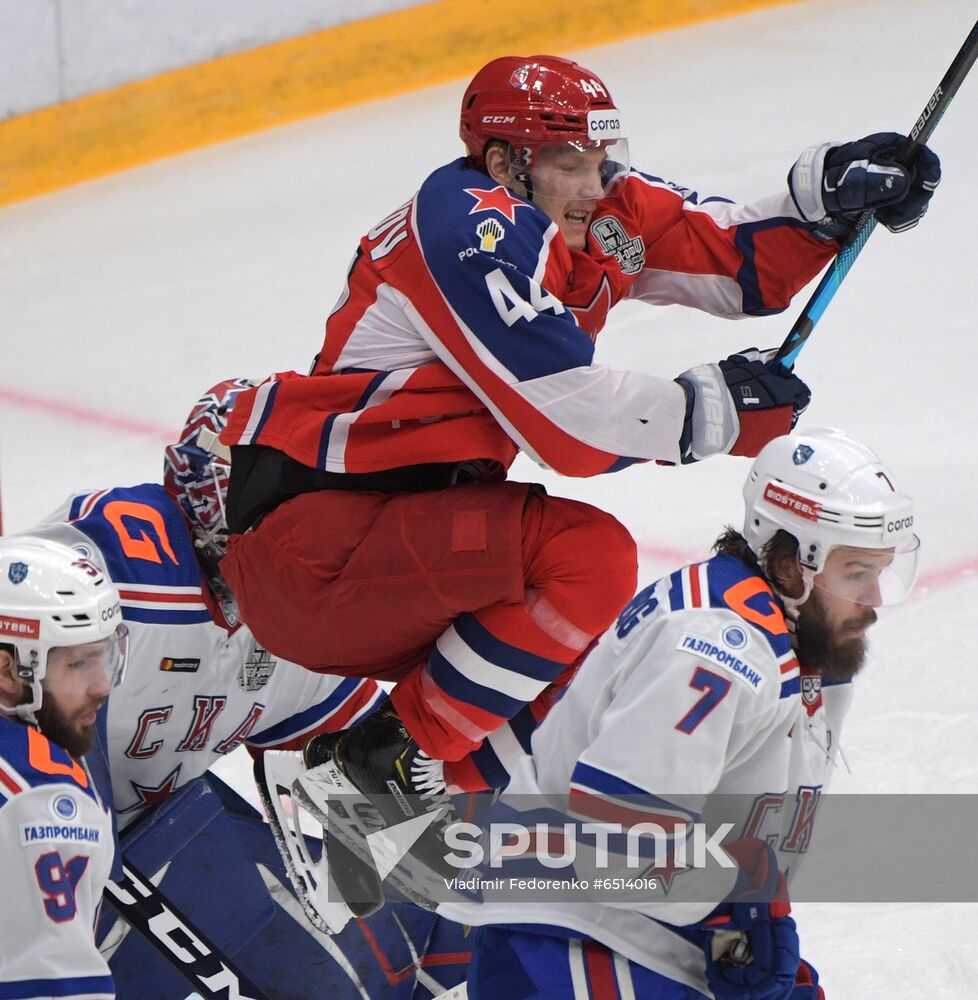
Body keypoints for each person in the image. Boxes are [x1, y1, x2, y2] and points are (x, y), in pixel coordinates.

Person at [214, 54, 940, 856]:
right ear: (503, 164)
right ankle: (363, 769)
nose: (596, 187)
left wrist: (830, 201)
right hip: (309, 544)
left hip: (390, 542)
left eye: (600, 161)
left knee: (584, 666)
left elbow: (732, 258)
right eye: (570, 166)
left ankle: (402, 822)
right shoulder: (466, 224)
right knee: (587, 561)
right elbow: (566, 420)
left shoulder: (592, 208)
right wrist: (718, 413)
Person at [438, 427, 919, 999]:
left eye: (882, 571)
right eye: (856, 574)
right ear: (793, 565)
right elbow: (616, 851)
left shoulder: (802, 639)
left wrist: (752, 916)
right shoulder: (714, 648)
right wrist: (741, 897)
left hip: (661, 933)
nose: (874, 602)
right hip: (573, 934)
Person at [26, 378, 384, 828]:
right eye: (285, 490)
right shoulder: (118, 565)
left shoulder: (303, 628)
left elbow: (378, 788)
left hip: (123, 850)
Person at [0, 536, 129, 999]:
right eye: (78, 663)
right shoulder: (39, 793)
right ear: (7, 670)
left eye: (104, 657)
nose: (101, 685)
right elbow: (52, 990)